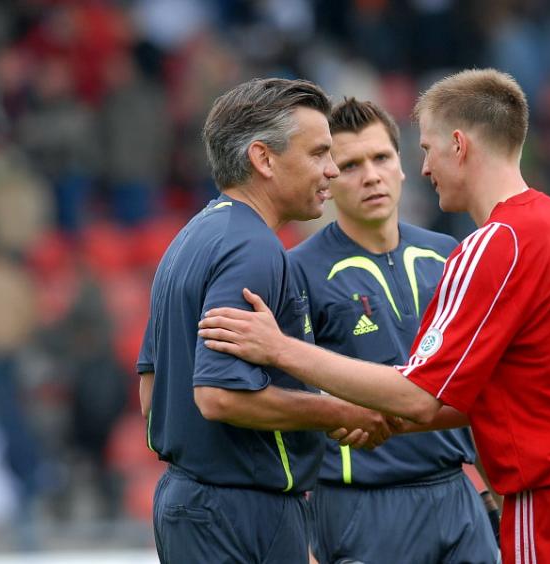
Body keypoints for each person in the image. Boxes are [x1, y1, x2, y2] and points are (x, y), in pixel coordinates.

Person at [198, 69, 550, 563]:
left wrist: (279, 348)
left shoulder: (493, 243)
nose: (424, 167)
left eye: (425, 149)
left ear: (458, 146)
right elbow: (516, 387)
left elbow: (420, 396)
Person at [137, 77, 392, 564]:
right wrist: (342, 412)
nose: (332, 170)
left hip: (196, 504)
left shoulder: (192, 236)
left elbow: (151, 392)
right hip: (239, 511)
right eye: (319, 152)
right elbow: (218, 396)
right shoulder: (253, 248)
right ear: (264, 158)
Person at [291, 97, 499, 563]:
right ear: (327, 177)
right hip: (359, 507)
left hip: (456, 496)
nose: (370, 175)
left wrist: (492, 491)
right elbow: (290, 408)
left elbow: (480, 391)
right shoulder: (298, 273)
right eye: (349, 165)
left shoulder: (450, 255)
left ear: (402, 166)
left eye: (381, 157)